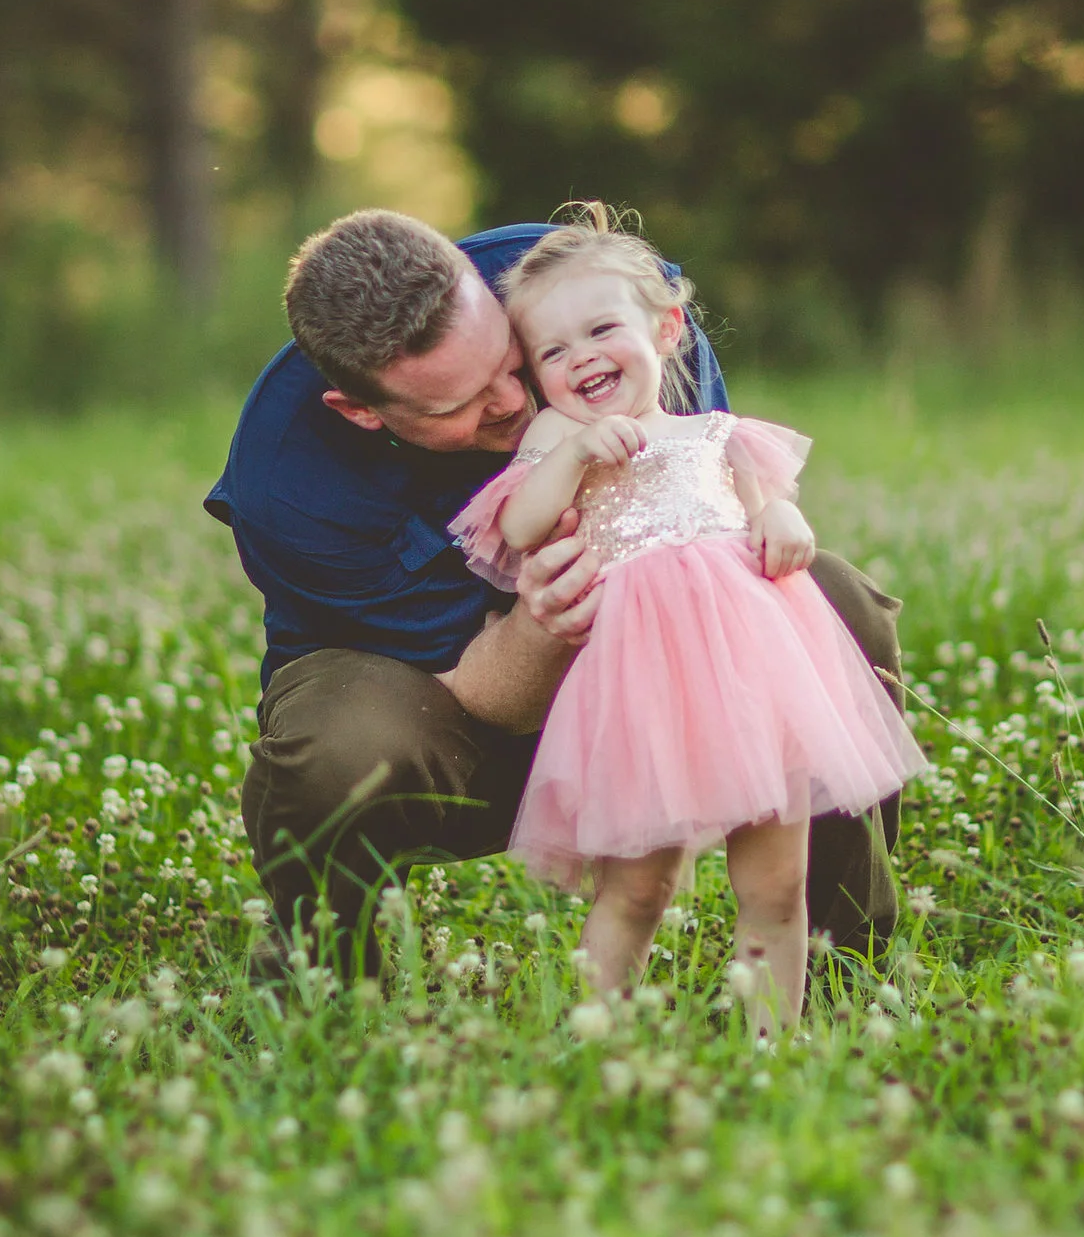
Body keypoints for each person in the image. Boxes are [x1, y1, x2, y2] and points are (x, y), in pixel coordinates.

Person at [209, 207, 905, 969]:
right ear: (362, 411)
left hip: (651, 648)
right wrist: (542, 622)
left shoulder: (585, 293)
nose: (511, 403)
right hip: (439, 697)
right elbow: (479, 694)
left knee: (829, 599)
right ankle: (320, 978)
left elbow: (711, 514)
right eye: (460, 405)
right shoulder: (290, 488)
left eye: (512, 363)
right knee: (341, 747)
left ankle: (842, 957)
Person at [450, 218, 924, 1028]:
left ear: (665, 330)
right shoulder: (558, 434)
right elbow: (522, 526)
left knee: (777, 885)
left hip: (757, 675)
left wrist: (780, 517)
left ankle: (771, 1047)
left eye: (602, 330)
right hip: (641, 689)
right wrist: (575, 456)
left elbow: (763, 507)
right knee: (638, 888)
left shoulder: (718, 435)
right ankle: (599, 1038)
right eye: (554, 352)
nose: (582, 358)